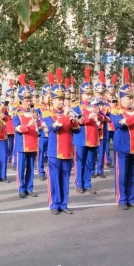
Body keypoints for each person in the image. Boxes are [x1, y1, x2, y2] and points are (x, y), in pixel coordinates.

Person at [44, 69, 79, 215]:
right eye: (58, 99)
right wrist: (65, 117)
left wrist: (73, 120)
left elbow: (77, 130)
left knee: (65, 179)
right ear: (52, 100)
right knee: (54, 180)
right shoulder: (48, 114)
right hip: (54, 151)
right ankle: (54, 204)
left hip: (67, 151)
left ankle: (64, 203)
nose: (61, 101)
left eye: (62, 99)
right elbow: (54, 128)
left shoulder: (67, 113)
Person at [110, 68, 134, 210]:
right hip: (123, 146)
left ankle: (131, 198)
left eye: (131, 98)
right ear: (121, 99)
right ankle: (122, 199)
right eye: (128, 98)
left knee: (133, 174)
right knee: (122, 175)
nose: (131, 100)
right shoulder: (116, 110)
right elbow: (119, 124)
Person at [72, 66, 102, 195]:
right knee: (80, 162)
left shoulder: (95, 106)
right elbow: (76, 120)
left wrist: (98, 115)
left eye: (90, 94)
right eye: (87, 94)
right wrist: (88, 117)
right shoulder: (77, 106)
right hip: (81, 137)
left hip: (93, 136)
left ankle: (87, 183)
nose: (89, 96)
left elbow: (104, 118)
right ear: (82, 94)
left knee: (90, 162)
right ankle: (79, 184)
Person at [13, 73, 41, 199]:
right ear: (21, 101)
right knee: (21, 168)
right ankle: (21, 188)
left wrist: (40, 124)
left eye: (30, 100)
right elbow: (17, 128)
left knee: (30, 168)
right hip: (22, 145)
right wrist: (28, 125)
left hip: (33, 144)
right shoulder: (17, 114)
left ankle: (29, 187)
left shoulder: (34, 112)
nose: (29, 102)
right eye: (27, 100)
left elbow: (39, 125)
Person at [36, 75, 53, 181]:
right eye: (48, 96)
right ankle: (41, 171)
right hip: (42, 134)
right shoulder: (38, 107)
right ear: (43, 96)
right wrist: (41, 125)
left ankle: (50, 171)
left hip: (51, 133)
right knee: (41, 153)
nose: (50, 98)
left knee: (51, 154)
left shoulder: (53, 107)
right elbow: (36, 119)